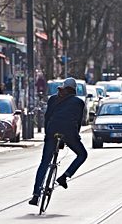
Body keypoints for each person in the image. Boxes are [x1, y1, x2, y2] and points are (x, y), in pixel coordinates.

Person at [29, 78, 88, 206]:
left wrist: (47, 134)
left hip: (52, 131)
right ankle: (64, 177)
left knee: (44, 163)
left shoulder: (52, 99)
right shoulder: (79, 102)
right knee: (82, 154)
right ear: (74, 90)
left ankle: (36, 195)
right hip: (69, 133)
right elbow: (78, 121)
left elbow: (47, 116)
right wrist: (75, 136)